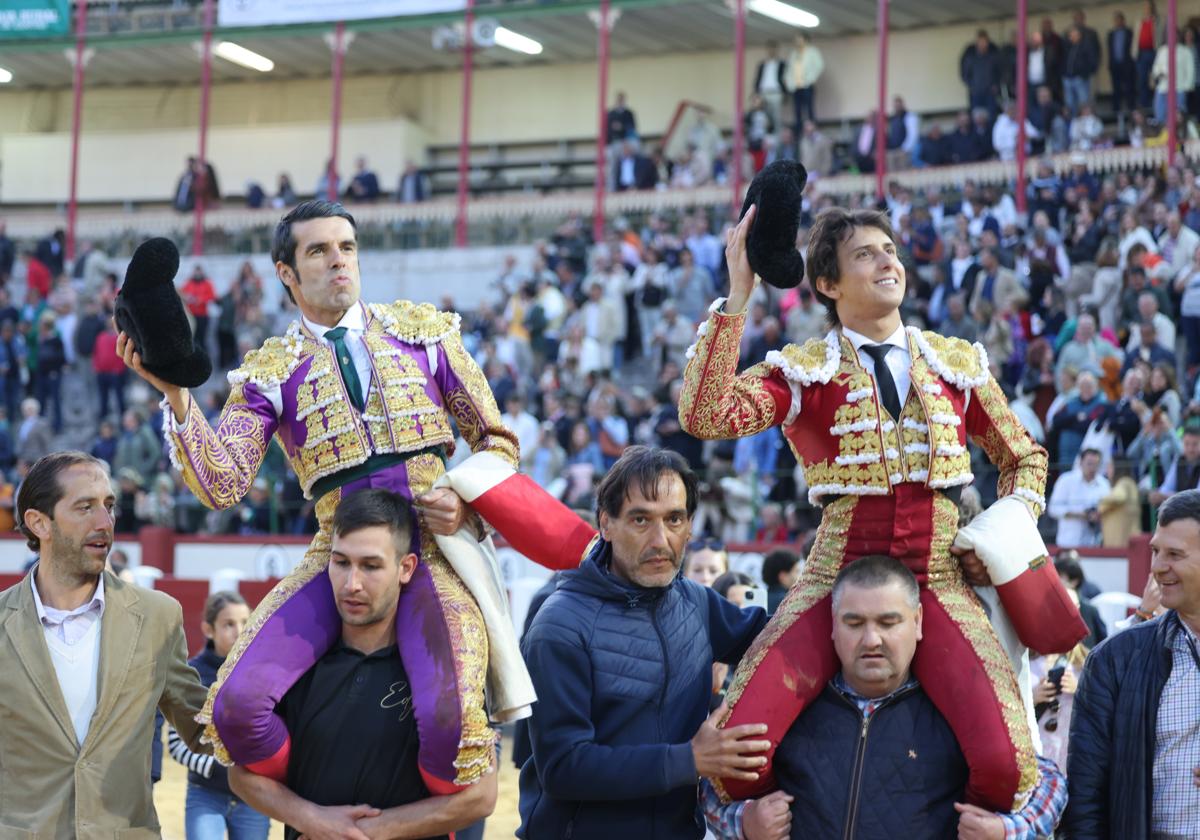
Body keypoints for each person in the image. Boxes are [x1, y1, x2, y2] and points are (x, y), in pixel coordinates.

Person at [680, 205, 1085, 809]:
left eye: (890, 249)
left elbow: (1024, 458)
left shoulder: (957, 364)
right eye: (865, 254)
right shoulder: (805, 372)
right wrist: (738, 296)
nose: (887, 261)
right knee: (739, 751)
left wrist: (998, 537)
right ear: (828, 284)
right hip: (836, 578)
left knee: (1006, 765)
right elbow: (705, 414)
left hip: (942, 577)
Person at [117, 199, 521, 792]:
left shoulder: (425, 333)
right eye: (319, 250)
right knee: (235, 708)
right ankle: (316, 802)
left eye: (347, 247)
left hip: (430, 548)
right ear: (287, 272)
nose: (339, 261)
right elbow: (223, 483)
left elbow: (497, 441)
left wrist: (464, 501)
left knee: (454, 722)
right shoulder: (270, 371)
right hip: (338, 554)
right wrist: (178, 400)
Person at [703, 556, 1069, 840]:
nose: (872, 639)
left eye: (889, 622)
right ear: (831, 626)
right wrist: (744, 823)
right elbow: (710, 788)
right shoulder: (792, 708)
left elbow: (1049, 782)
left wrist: (1009, 831)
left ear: (919, 622)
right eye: (854, 623)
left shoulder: (956, 709)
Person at [517, 446, 771, 839]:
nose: (660, 540)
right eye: (640, 519)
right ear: (606, 523)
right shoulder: (560, 626)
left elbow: (775, 638)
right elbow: (563, 768)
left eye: (674, 519)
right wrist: (688, 760)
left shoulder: (696, 602)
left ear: (689, 525)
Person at [230, 489, 497, 840]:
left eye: (370, 566)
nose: (351, 584)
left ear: (406, 568)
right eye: (341, 563)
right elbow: (241, 775)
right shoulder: (294, 667)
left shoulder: (441, 670)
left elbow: (482, 796)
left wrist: (366, 832)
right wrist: (310, 818)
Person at [0, 451, 210, 837]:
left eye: (109, 506)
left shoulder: (157, 617)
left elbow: (203, 729)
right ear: (39, 523)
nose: (105, 523)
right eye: (85, 508)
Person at [1065, 488, 1200, 837]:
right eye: (1155, 551)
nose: (1156, 568)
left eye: (1174, 554)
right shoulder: (1113, 662)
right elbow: (1085, 802)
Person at [165, 592, 269, 840]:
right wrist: (220, 767)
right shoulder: (192, 674)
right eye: (229, 624)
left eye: (245, 622)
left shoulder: (265, 673)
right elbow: (176, 742)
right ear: (208, 629)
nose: (239, 630)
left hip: (253, 797)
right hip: (206, 794)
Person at [1047, 448, 1110, 548]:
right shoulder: (1066, 480)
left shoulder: (1104, 485)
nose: (1092, 468)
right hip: (1067, 542)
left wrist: (1097, 515)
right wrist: (1079, 514)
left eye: (1096, 465)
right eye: (1089, 464)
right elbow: (1053, 509)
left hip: (1093, 543)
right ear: (1081, 462)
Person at [761, 548, 800, 614]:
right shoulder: (791, 602)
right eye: (796, 571)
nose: (799, 577)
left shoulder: (758, 601)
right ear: (783, 576)